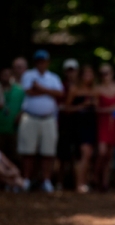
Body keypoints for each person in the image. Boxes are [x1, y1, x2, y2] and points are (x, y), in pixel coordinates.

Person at [18, 49, 64, 192]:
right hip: (30, 118)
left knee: (48, 152)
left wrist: (40, 88)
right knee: (28, 152)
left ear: (47, 62)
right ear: (35, 62)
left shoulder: (54, 77)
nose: (41, 64)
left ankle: (46, 181)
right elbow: (29, 91)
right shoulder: (28, 75)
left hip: (48, 119)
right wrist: (49, 91)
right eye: (38, 61)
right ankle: (26, 180)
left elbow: (60, 93)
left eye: (43, 61)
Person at [66, 65, 97, 193]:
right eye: (86, 74)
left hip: (91, 124)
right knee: (83, 154)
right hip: (78, 125)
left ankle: (84, 182)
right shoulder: (74, 89)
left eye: (90, 74)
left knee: (88, 155)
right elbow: (66, 108)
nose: (88, 77)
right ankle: (79, 183)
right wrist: (81, 106)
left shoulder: (94, 90)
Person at [95, 63, 115, 191]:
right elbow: (95, 109)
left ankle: (105, 183)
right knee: (102, 152)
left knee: (110, 155)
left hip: (114, 124)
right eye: (102, 74)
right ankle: (95, 177)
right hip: (103, 123)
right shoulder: (98, 89)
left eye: (107, 73)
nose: (105, 76)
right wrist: (109, 110)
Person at [55, 58, 79, 190]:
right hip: (64, 125)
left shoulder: (81, 85)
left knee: (76, 156)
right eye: (69, 70)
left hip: (79, 126)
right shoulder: (61, 86)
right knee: (62, 157)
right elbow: (62, 107)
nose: (71, 73)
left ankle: (76, 184)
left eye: (73, 70)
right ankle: (59, 183)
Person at [0, 67, 25, 165]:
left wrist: (21, 114)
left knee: (15, 156)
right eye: (3, 75)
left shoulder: (19, 90)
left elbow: (25, 105)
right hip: (1, 128)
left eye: (8, 75)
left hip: (14, 128)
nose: (6, 77)